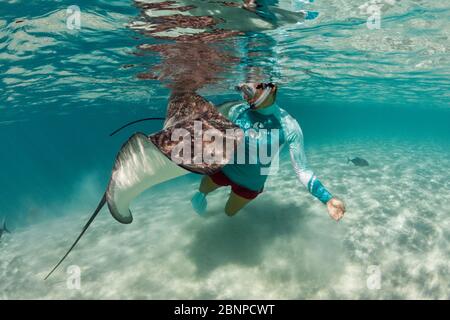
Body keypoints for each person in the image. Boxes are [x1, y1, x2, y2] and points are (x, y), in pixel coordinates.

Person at [191, 82, 346, 221]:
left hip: (250, 184)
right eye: (241, 90)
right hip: (224, 169)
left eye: (249, 89)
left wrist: (327, 198)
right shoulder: (236, 109)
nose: (245, 96)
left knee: (229, 213)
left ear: (271, 88)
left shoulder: (289, 126)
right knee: (202, 189)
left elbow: (302, 170)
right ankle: (201, 195)